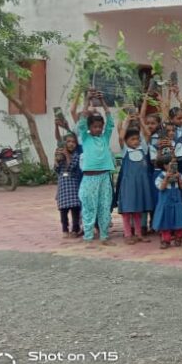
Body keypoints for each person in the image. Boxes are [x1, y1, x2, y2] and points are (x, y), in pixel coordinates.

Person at [76, 90, 116, 247]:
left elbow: (111, 123)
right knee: (89, 206)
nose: (98, 129)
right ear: (89, 128)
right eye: (95, 127)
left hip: (104, 177)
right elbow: (82, 121)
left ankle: (104, 235)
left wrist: (104, 103)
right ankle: (88, 236)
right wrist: (87, 100)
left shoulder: (105, 138)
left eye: (100, 127)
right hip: (90, 178)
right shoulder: (85, 138)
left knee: (105, 207)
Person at [116, 117, 156, 245]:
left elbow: (147, 134)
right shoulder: (125, 151)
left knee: (138, 211)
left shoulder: (142, 149)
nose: (136, 141)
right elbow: (120, 138)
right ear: (127, 141)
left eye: (137, 139)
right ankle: (128, 235)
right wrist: (126, 122)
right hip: (128, 185)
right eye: (132, 139)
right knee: (128, 211)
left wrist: (140, 120)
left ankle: (139, 234)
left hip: (141, 185)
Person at [152, 158, 182, 249]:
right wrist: (167, 177)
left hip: (177, 201)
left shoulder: (180, 175)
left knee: (179, 219)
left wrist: (179, 177)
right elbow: (161, 188)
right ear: (164, 165)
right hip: (165, 202)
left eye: (175, 163)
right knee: (165, 220)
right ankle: (166, 240)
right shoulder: (160, 176)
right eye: (170, 163)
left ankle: (178, 238)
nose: (173, 165)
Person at [54, 134, 82, 239]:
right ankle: (65, 229)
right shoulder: (60, 154)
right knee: (63, 210)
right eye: (68, 141)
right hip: (63, 186)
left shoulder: (76, 156)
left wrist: (67, 156)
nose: (71, 144)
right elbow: (56, 170)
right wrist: (56, 160)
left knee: (75, 209)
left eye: (73, 142)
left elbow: (71, 167)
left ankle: (75, 229)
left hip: (73, 186)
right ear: (64, 143)